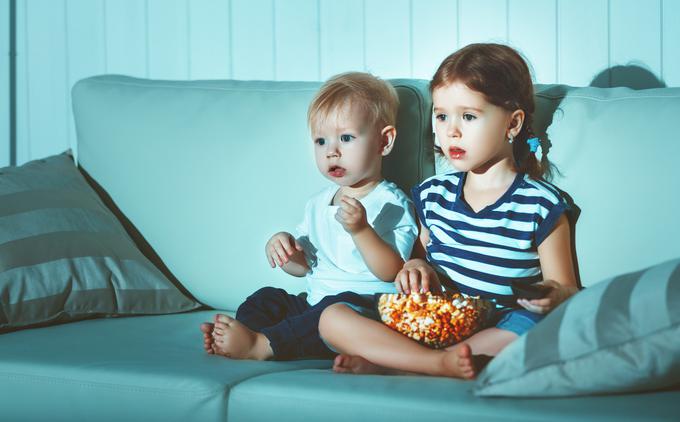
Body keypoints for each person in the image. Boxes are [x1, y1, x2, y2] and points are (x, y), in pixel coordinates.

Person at [318, 43, 580, 379]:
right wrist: (414, 268)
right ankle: (432, 363)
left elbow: (566, 287)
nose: (450, 130)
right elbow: (415, 260)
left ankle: (400, 363)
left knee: (537, 327)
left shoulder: (540, 204)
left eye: (468, 116)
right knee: (332, 317)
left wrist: (552, 295)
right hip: (432, 320)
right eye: (441, 116)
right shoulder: (433, 195)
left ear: (512, 124)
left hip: (499, 320)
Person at [199, 72, 418, 361]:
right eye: (321, 141)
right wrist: (286, 251)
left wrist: (362, 230)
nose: (332, 152)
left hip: (365, 309)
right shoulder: (317, 204)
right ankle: (244, 334)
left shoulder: (391, 202)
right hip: (316, 304)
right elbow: (305, 268)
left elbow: (392, 270)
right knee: (266, 299)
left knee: (334, 310)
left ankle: (261, 346)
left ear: (384, 141)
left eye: (346, 138)